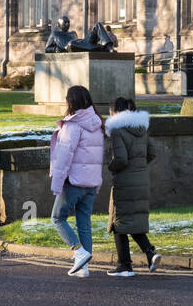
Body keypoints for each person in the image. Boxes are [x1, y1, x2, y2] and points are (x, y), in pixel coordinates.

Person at [49, 85, 105, 277]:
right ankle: (85, 268)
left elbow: (64, 156)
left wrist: (56, 184)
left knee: (57, 218)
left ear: (70, 101)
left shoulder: (73, 125)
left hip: (73, 182)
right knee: (84, 224)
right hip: (91, 182)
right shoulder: (97, 123)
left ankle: (78, 251)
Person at [104, 96, 160, 276]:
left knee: (118, 222)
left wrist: (110, 167)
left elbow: (120, 159)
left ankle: (124, 265)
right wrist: (139, 167)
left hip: (125, 181)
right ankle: (150, 252)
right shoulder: (141, 128)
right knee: (131, 220)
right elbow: (152, 153)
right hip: (141, 179)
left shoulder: (117, 130)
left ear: (114, 112)